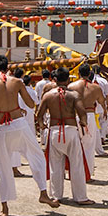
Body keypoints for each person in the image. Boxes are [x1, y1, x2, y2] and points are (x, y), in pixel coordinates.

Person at [0, 54, 58, 216]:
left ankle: (5, 208)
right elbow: (31, 103)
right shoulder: (17, 82)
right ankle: (43, 193)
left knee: (2, 167)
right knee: (36, 156)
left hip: (2, 127)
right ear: (7, 67)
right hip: (19, 123)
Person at [37, 67, 94, 206]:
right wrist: (83, 123)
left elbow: (39, 114)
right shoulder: (74, 95)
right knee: (77, 164)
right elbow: (82, 113)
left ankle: (56, 196)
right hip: (71, 130)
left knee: (55, 166)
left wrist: (42, 125)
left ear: (55, 80)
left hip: (55, 131)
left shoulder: (48, 95)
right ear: (68, 79)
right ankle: (81, 197)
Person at [68, 63, 108, 180]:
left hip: (75, 116)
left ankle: (73, 173)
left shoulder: (71, 86)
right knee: (89, 147)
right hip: (89, 115)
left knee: (74, 145)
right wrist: (105, 111)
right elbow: (102, 101)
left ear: (78, 73)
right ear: (89, 74)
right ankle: (88, 174)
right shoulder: (95, 87)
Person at [92, 64, 108, 154]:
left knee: (96, 124)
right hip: (101, 104)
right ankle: (101, 137)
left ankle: (98, 139)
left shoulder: (90, 81)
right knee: (103, 121)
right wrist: (107, 105)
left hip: (92, 105)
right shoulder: (103, 81)